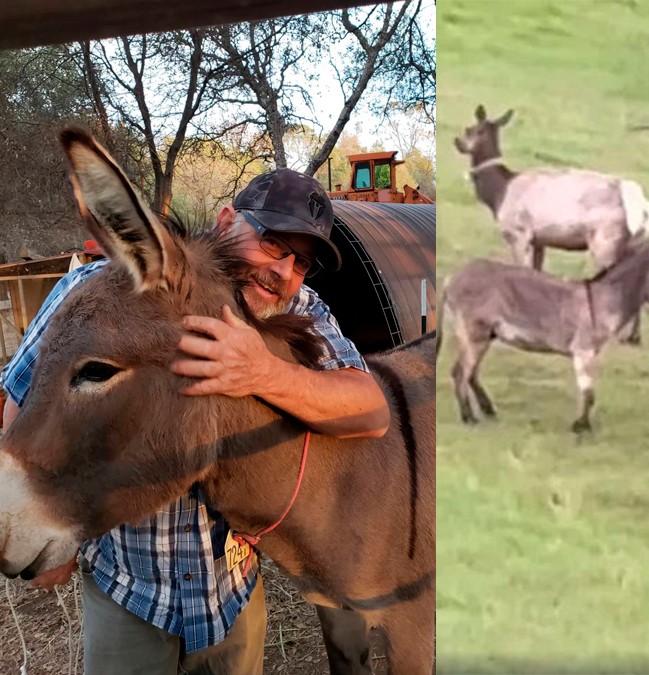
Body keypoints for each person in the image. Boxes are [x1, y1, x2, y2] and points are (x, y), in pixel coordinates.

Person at [0, 168, 390, 674]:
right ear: (227, 220)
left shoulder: (296, 307)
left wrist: (263, 371)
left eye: (303, 263)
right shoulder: (98, 290)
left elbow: (371, 408)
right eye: (273, 244)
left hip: (230, 594)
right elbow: (20, 395)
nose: (285, 273)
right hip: (131, 590)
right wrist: (47, 517)